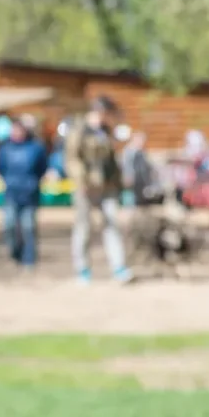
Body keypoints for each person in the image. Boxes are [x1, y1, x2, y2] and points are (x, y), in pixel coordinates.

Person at [64, 95, 133, 285]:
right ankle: (82, 269)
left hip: (107, 187)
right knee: (83, 228)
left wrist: (120, 183)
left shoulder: (106, 132)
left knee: (112, 226)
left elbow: (112, 161)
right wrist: (81, 181)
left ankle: (119, 267)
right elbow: (72, 158)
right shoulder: (80, 130)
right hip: (86, 188)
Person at [0, 117, 48, 272]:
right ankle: (15, 253)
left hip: (30, 192)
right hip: (11, 192)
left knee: (28, 226)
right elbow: (0, 167)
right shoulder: (5, 149)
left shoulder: (36, 148)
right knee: (9, 225)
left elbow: (42, 168)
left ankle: (29, 257)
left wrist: (32, 182)